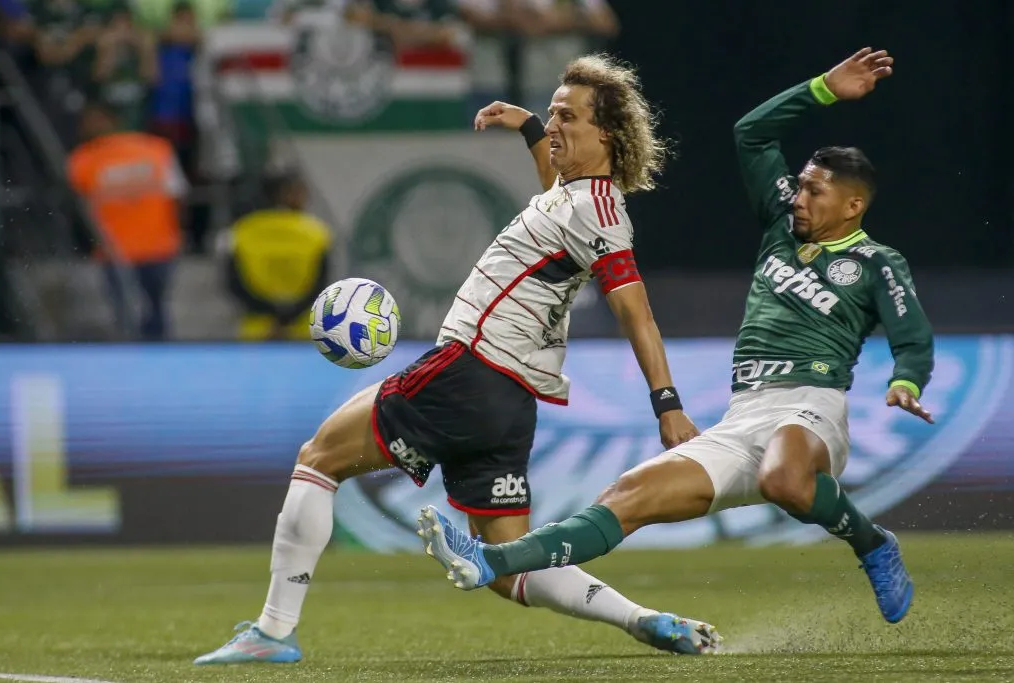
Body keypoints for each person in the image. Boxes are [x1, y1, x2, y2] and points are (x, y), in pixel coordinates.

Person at [195, 53, 723, 666]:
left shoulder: (597, 213)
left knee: (318, 460)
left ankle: (273, 631)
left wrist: (667, 404)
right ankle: (645, 620)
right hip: (507, 402)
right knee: (506, 564)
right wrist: (529, 123)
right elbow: (553, 194)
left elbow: (638, 314)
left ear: (606, 133)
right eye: (553, 114)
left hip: (470, 371)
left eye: (567, 118)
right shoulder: (572, 197)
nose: (555, 127)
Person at [418, 47, 934, 628]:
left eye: (816, 191)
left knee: (785, 478)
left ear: (853, 204)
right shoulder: (781, 226)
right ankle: (492, 560)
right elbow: (752, 133)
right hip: (744, 416)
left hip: (810, 405)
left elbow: (911, 336)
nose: (799, 197)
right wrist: (822, 88)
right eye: (801, 186)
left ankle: (873, 545)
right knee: (626, 497)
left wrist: (905, 379)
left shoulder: (876, 261)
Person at [68, 100, 186, 341]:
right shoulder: (82, 159)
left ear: (112, 120)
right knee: (132, 316)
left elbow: (178, 196)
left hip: (156, 246)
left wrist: (180, 232)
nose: (88, 126)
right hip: (118, 250)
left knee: (154, 310)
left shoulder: (156, 149)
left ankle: (155, 359)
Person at [220, 171, 333, 341]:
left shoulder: (241, 231)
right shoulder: (317, 231)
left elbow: (234, 283)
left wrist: (269, 312)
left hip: (257, 327)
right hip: (302, 327)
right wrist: (290, 314)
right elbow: (321, 284)